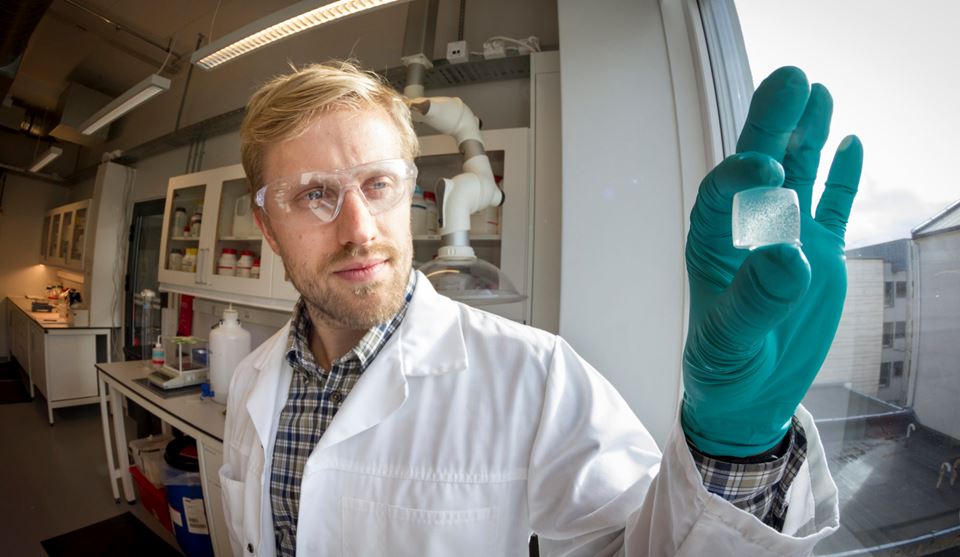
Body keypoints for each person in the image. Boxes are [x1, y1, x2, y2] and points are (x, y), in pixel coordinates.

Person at [220, 60, 862, 556]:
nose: (359, 228)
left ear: (412, 191)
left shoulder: (538, 376)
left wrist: (734, 451)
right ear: (268, 228)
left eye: (378, 185)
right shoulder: (251, 381)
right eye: (312, 196)